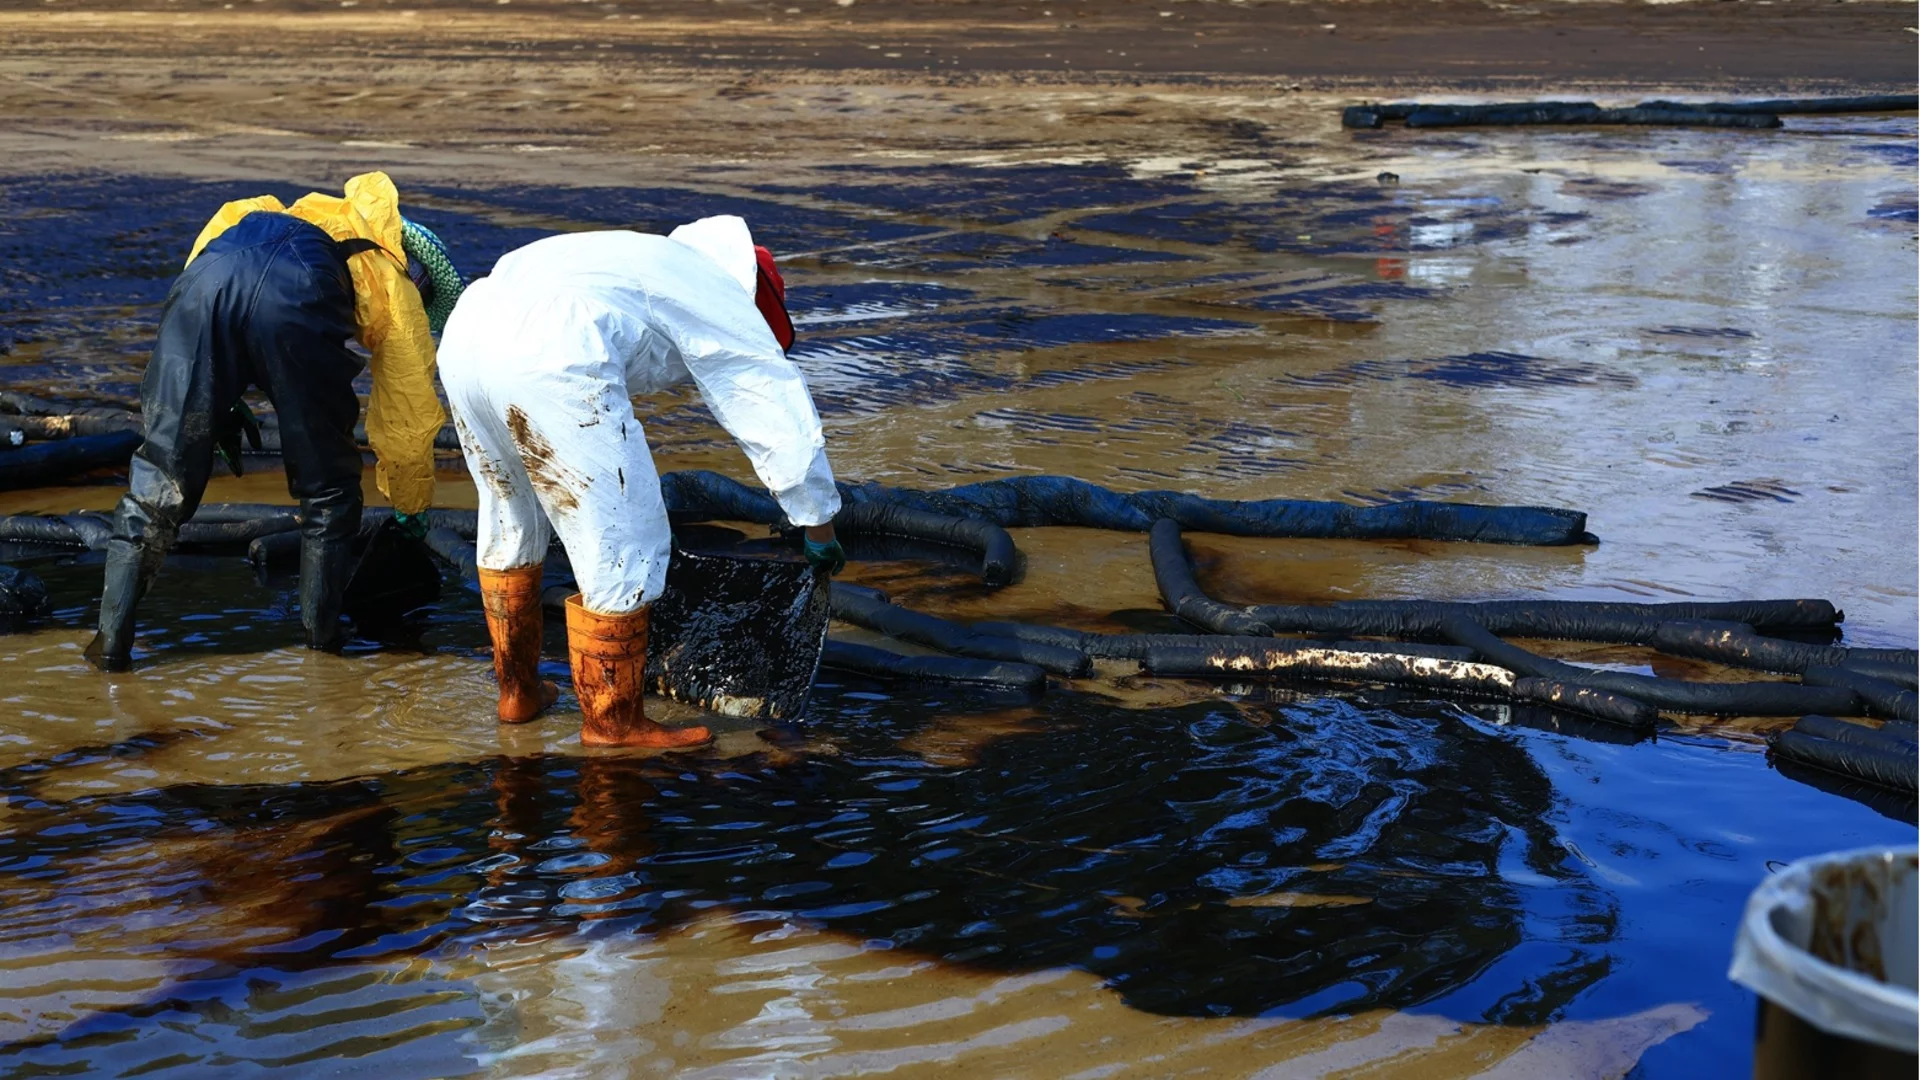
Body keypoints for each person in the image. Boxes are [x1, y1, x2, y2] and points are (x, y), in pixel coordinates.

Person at [437, 216, 845, 750]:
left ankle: (518, 694)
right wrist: (818, 524)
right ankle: (614, 724)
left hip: (468, 337)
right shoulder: (714, 290)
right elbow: (770, 405)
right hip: (550, 349)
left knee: (510, 513)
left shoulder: (636, 257)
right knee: (623, 535)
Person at [86, 171, 462, 671]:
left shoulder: (259, 210)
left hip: (208, 280)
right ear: (416, 270)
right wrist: (411, 508)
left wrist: (221, 395)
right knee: (328, 492)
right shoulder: (393, 282)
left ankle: (109, 646)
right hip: (298, 295)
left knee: (159, 481)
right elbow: (407, 414)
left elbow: (202, 278)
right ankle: (323, 654)